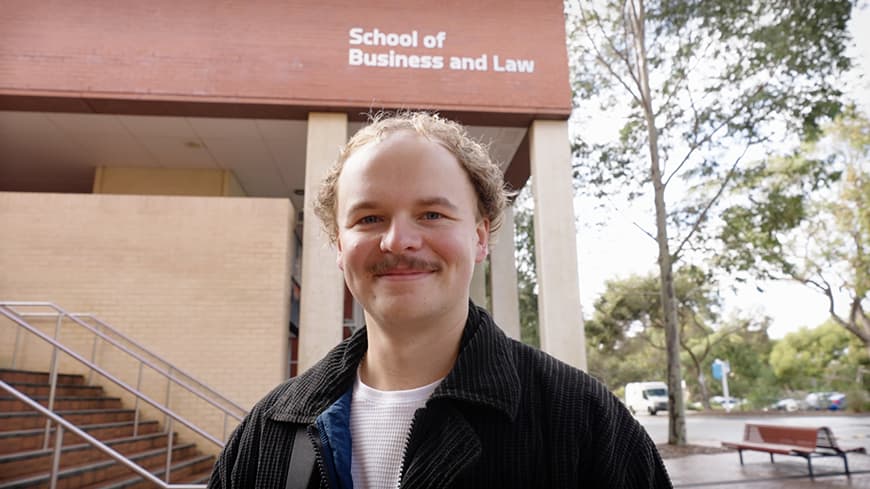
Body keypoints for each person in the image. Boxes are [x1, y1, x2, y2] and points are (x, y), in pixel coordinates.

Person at [208, 112, 672, 489]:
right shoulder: (267, 434)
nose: (398, 240)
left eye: (432, 213)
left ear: (479, 238)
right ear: (338, 246)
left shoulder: (584, 424)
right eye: (369, 217)